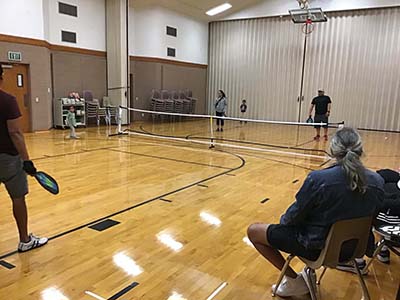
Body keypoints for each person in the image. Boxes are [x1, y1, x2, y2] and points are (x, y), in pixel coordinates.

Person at [247, 127, 384, 297]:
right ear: (360, 150)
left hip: (317, 249)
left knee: (254, 231)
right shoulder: (378, 181)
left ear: (333, 150)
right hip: (354, 249)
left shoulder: (319, 180)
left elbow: (290, 219)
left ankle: (294, 281)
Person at [0, 65, 48, 252]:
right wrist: (27, 161)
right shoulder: (8, 100)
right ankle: (25, 240)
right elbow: (15, 132)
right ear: (2, 76)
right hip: (9, 160)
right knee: (18, 198)